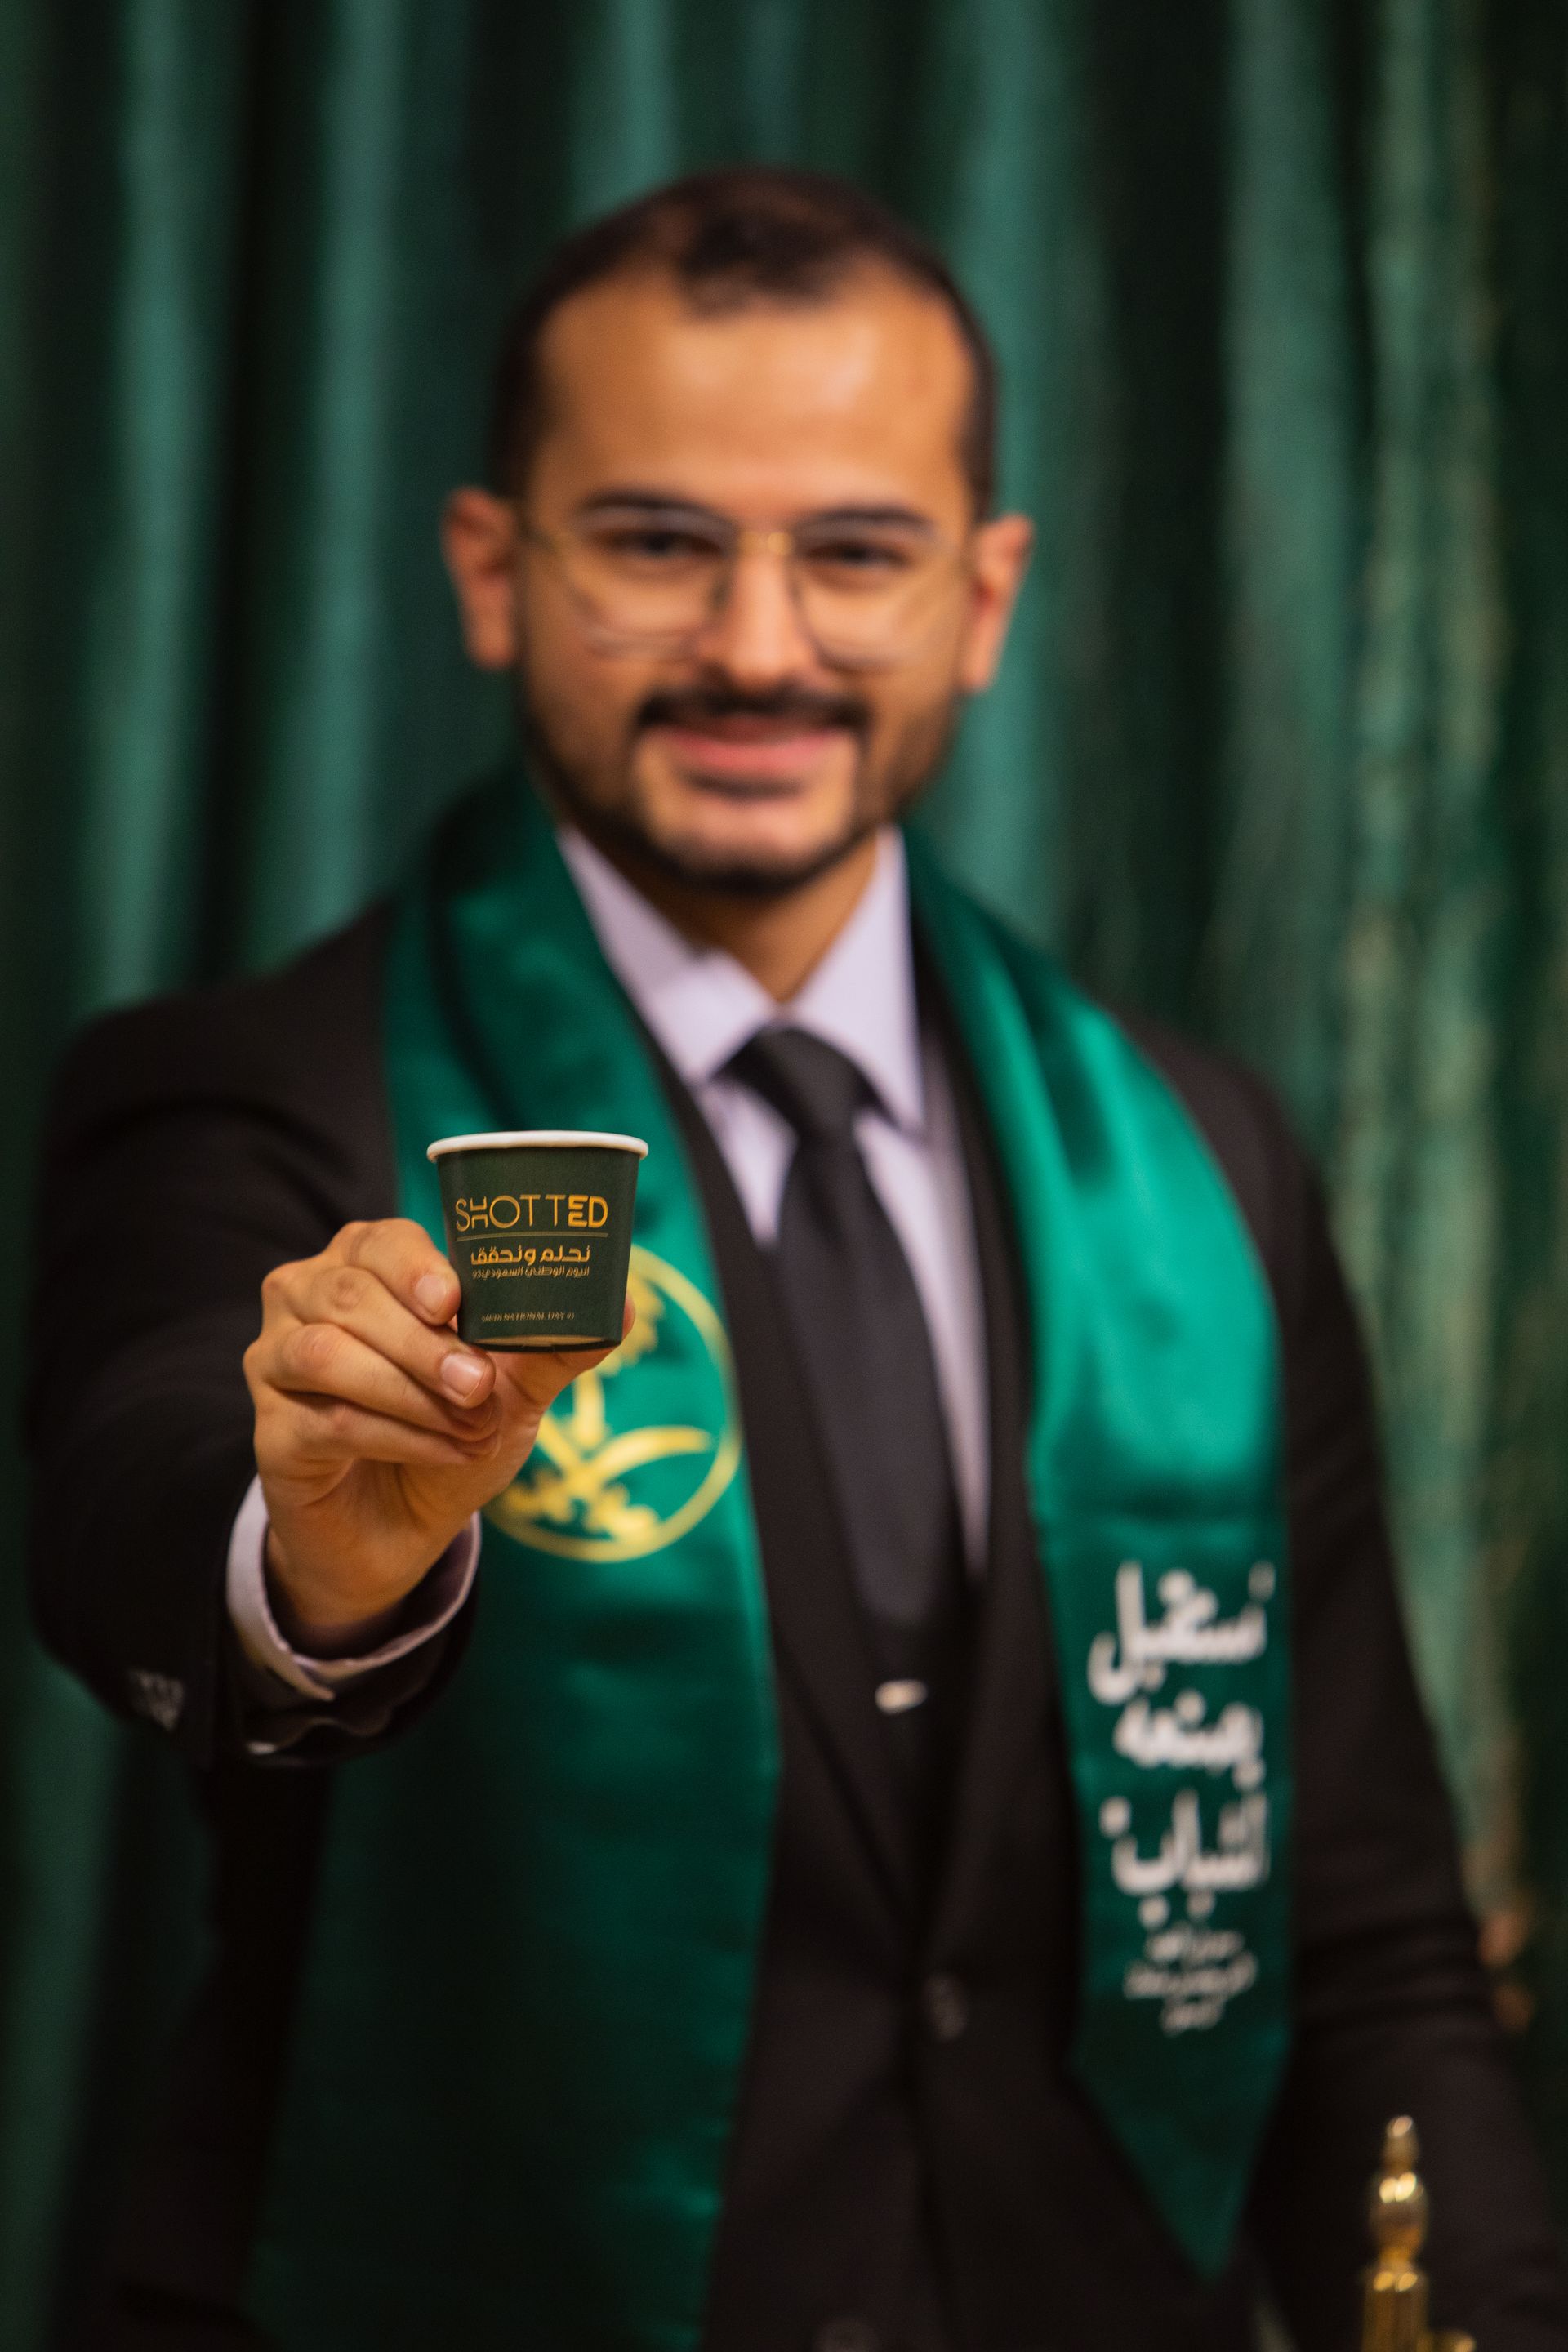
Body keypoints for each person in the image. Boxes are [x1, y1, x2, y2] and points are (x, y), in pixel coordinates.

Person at [25, 167, 1567, 2352]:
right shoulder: (255, 1092)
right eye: (659, 544)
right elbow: (132, 1497)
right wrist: (316, 1553)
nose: (761, 647)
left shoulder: (1202, 1160)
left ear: (988, 595)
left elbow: (1375, 1931)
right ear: (492, 569)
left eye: (857, 552)